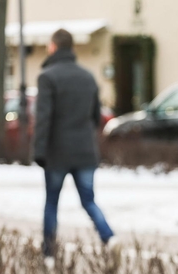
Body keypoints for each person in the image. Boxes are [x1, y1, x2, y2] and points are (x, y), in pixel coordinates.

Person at [34, 28, 116, 261]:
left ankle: (49, 253)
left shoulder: (47, 77)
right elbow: (95, 118)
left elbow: (43, 119)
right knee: (89, 201)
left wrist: (39, 152)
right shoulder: (87, 77)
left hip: (57, 153)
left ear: (54, 46)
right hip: (84, 152)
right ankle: (109, 238)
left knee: (51, 203)